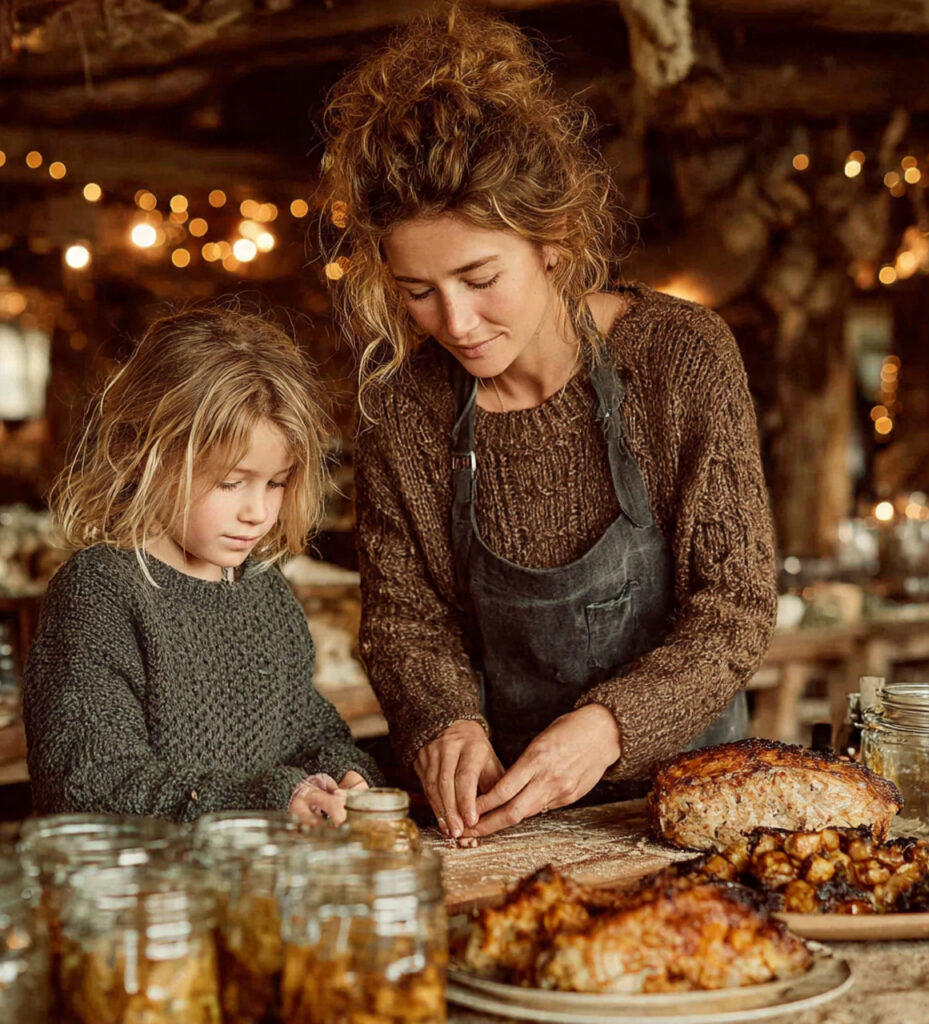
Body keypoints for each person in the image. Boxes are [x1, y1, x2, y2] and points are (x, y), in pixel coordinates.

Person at [318, 9, 776, 844]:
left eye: (479, 276)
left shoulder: (677, 359)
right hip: (502, 824)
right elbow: (406, 620)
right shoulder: (402, 408)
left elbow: (736, 606)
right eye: (417, 290)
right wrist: (444, 724)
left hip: (693, 813)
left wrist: (609, 728)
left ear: (554, 241)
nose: (454, 321)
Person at [23, 308, 380, 824]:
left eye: (276, 482)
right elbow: (91, 783)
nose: (256, 511)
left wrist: (341, 772)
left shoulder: (261, 589)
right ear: (150, 454)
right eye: (231, 482)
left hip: (258, 890)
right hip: (147, 897)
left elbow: (306, 730)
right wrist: (266, 802)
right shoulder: (100, 594)